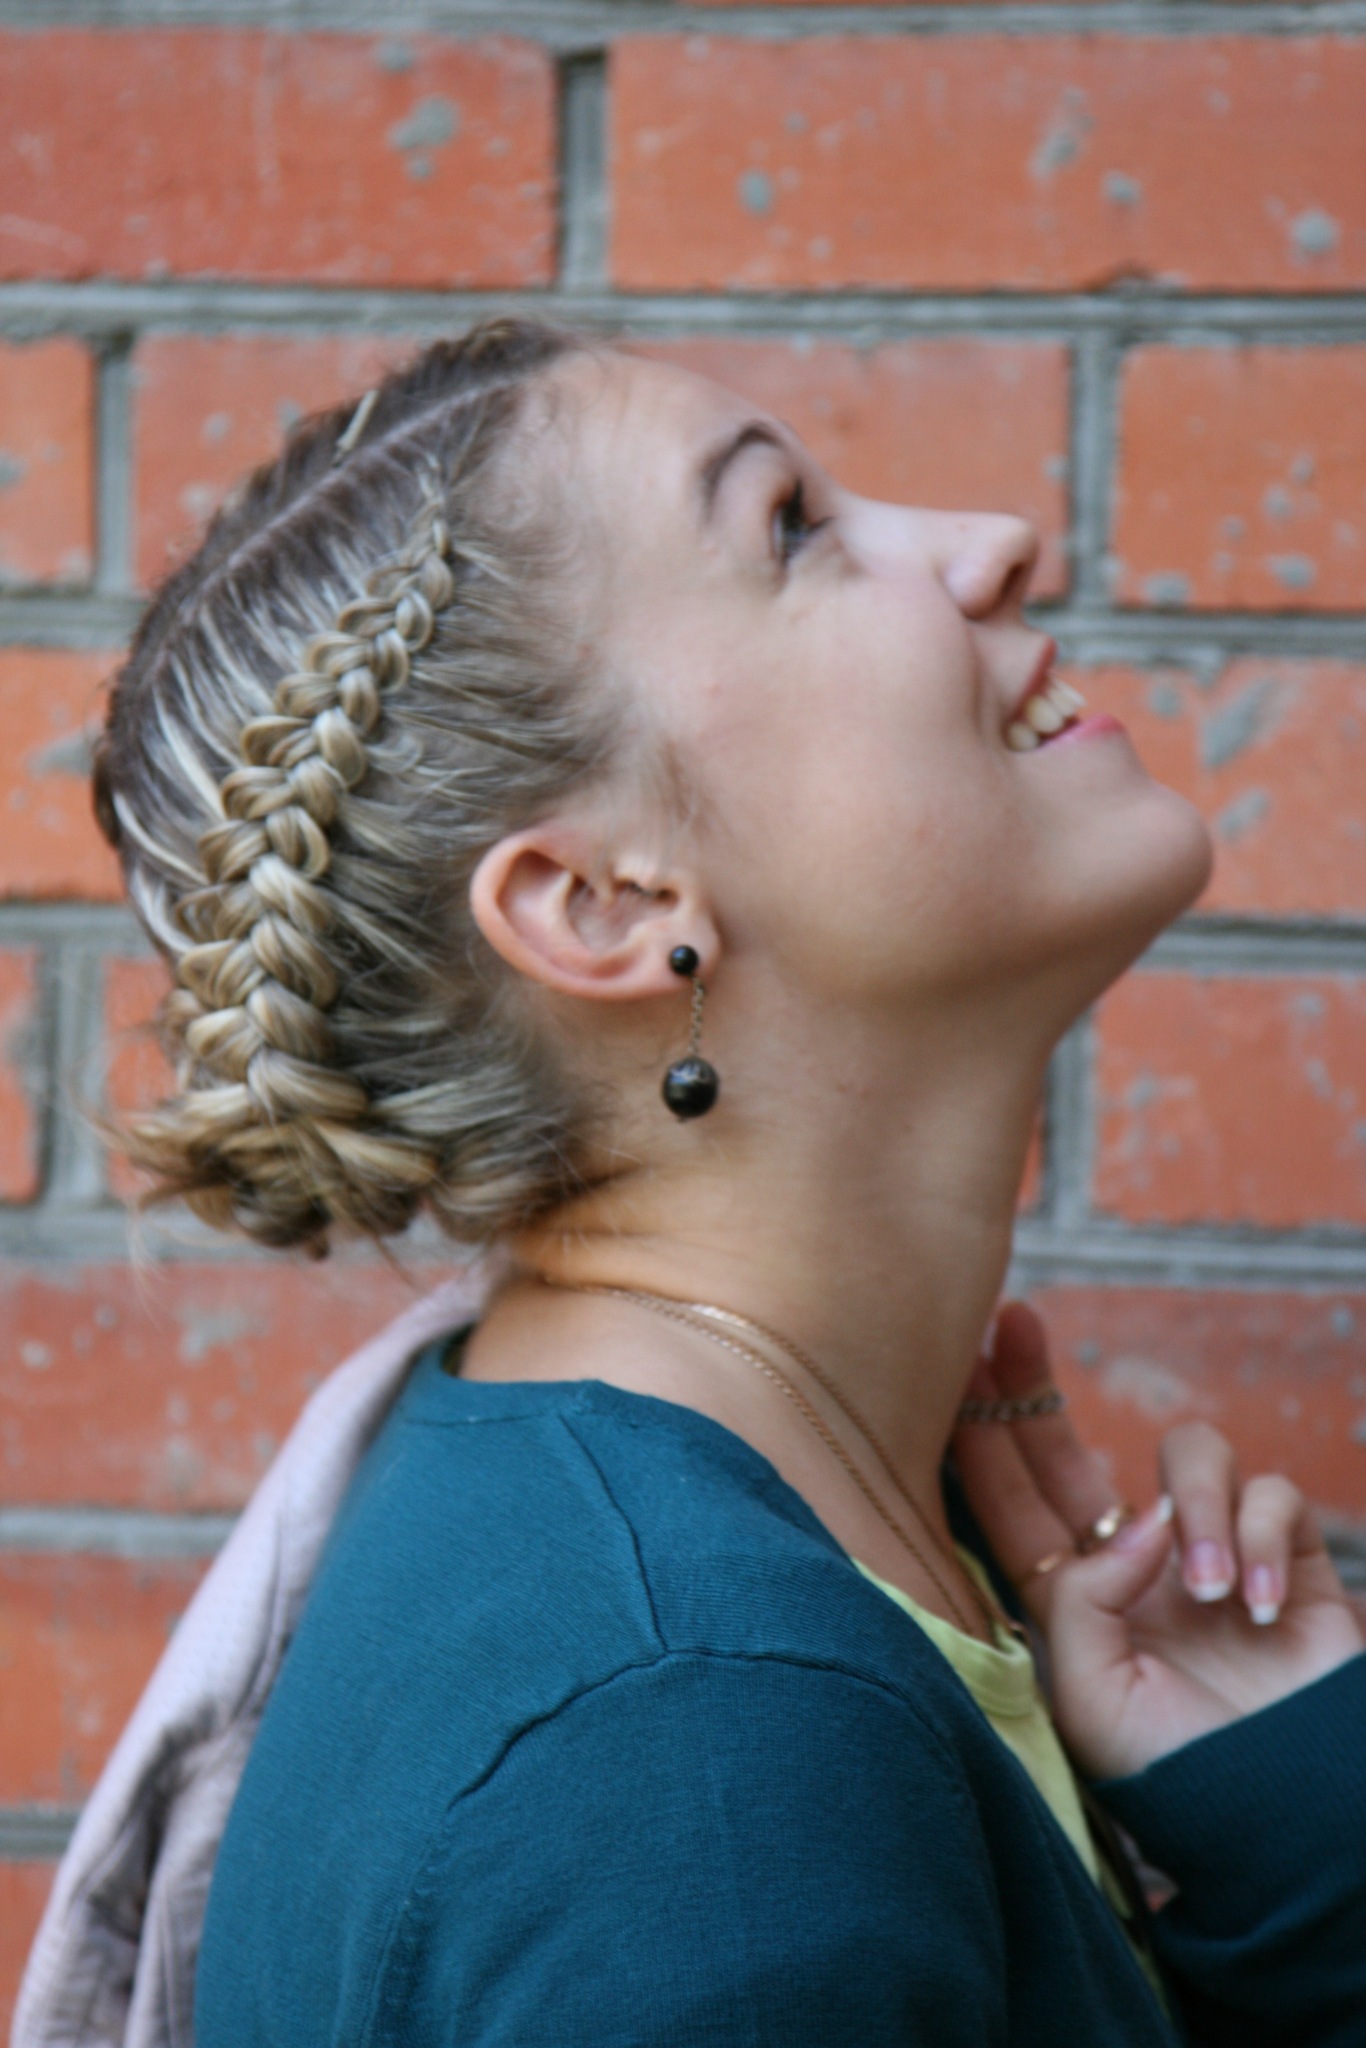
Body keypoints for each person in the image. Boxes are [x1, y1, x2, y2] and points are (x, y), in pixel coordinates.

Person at [89, 318, 1365, 2044]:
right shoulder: (695, 1771)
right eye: (790, 526)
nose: (993, 544)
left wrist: (1300, 1859)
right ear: (604, 905)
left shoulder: (718, 1551)